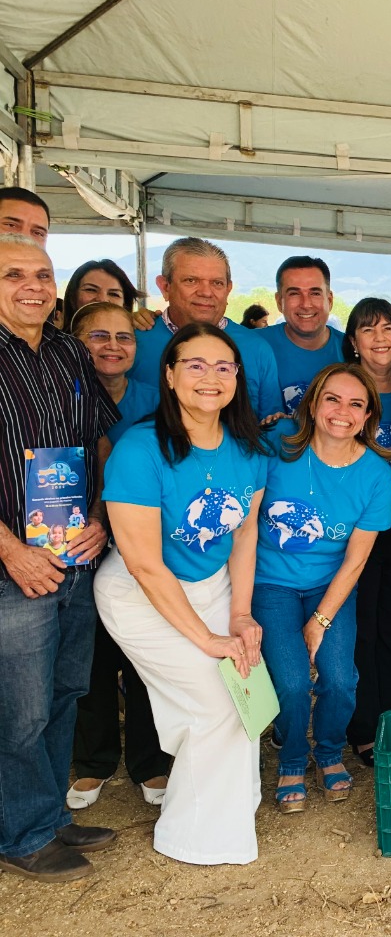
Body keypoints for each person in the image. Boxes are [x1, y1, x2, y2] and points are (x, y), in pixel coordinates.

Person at [95, 322, 270, 865]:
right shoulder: (140, 448)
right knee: (218, 701)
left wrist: (238, 616)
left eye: (223, 367)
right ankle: (194, 836)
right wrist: (207, 640)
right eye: (195, 365)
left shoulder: (250, 449)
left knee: (246, 692)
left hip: (214, 587)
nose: (210, 377)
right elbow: (146, 566)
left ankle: (231, 805)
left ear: (237, 378)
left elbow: (245, 534)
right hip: (140, 597)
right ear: (169, 375)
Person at [0, 233, 118, 883]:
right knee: (20, 709)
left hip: (74, 552)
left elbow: (95, 439)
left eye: (42, 273)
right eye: (14, 273)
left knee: (63, 691)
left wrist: (99, 519)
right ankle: (22, 832)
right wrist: (12, 551)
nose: (33, 285)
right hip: (12, 568)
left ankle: (46, 814)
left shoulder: (71, 352)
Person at [255, 364, 391, 812]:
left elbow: (356, 560)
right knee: (293, 683)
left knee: (340, 679)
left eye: (356, 404)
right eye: (332, 399)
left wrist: (320, 621)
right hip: (270, 583)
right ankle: (293, 756)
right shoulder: (277, 447)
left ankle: (329, 751)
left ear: (368, 415)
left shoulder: (376, 473)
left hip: (329, 585)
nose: (342, 411)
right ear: (312, 404)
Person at [66, 301, 168, 811]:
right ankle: (93, 762)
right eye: (98, 337)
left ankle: (151, 761)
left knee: (145, 654)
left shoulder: (157, 401)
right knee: (92, 659)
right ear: (73, 341)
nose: (112, 346)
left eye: (124, 337)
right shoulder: (58, 397)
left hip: (142, 548)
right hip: (73, 547)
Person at [341, 299, 391, 766]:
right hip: (354, 529)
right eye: (367, 329)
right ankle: (363, 725)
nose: (379, 338)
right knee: (361, 629)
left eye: (388, 327)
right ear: (353, 340)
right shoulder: (343, 386)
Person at [129, 237, 283, 418]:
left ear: (228, 289)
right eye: (191, 280)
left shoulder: (257, 348)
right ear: (165, 287)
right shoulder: (132, 343)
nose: (206, 292)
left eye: (217, 283)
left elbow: (270, 427)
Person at [259, 257, 346, 415]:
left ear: (330, 300)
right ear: (279, 302)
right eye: (294, 293)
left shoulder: (354, 350)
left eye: (315, 293)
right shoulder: (252, 345)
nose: (306, 304)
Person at [60, 259, 139, 331]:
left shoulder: (140, 342)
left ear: (125, 304)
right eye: (91, 290)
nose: (102, 299)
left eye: (114, 294)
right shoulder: (54, 345)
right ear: (73, 296)